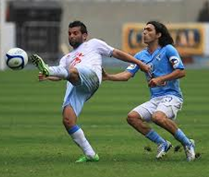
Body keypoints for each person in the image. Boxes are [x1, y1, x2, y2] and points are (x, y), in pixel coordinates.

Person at [30, 21, 150, 163]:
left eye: (75, 33)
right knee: (68, 120)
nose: (71, 36)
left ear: (84, 35)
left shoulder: (93, 44)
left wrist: (140, 63)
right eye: (69, 34)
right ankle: (90, 154)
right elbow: (61, 75)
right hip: (77, 86)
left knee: (74, 71)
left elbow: (116, 53)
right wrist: (48, 76)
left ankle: (48, 68)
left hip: (91, 76)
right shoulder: (66, 58)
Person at [103, 21, 196, 161]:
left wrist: (160, 79)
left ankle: (188, 143)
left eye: (149, 30)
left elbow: (181, 72)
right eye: (144, 30)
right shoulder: (140, 56)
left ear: (158, 34)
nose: (144, 32)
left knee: (158, 117)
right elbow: (127, 75)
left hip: (172, 96)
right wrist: (108, 77)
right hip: (156, 99)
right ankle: (162, 143)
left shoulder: (168, 49)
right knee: (132, 117)